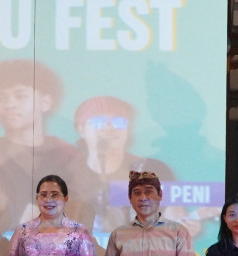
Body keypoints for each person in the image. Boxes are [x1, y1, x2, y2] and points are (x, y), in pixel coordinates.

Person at [0, 60, 81, 232]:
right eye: (0, 98)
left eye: (20, 96)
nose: (9, 105)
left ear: (46, 102)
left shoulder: (67, 155)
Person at [69, 96, 174, 245]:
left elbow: (173, 217)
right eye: (98, 121)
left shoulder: (153, 169)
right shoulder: (67, 171)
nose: (109, 128)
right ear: (81, 129)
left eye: (118, 122)